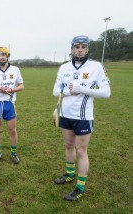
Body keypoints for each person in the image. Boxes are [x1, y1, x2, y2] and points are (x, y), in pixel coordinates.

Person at [53, 35, 111, 201]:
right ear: (71, 48)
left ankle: (80, 186)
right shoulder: (64, 68)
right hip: (65, 114)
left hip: (83, 116)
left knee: (81, 150)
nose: (80, 49)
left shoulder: (96, 67)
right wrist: (68, 91)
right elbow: (55, 90)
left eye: (83, 47)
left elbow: (106, 92)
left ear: (87, 49)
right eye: (77, 46)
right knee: (68, 145)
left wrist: (83, 89)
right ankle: (70, 175)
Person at [0, 47, 24, 164]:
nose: (1, 57)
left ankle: (13, 153)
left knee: (12, 130)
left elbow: (21, 86)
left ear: (7, 56)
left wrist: (12, 89)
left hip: (9, 104)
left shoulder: (15, 70)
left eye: (3, 54)